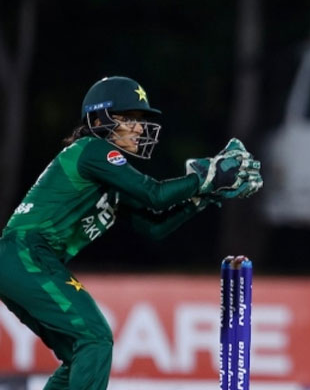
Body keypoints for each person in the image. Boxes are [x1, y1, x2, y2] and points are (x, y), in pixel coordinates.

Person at [0, 76, 262, 390]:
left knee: (83, 354)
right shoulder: (94, 150)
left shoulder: (107, 180)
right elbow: (155, 194)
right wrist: (207, 177)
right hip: (26, 254)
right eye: (130, 119)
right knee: (95, 338)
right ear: (99, 120)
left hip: (25, 260)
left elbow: (154, 227)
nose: (139, 128)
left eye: (140, 121)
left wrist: (203, 197)